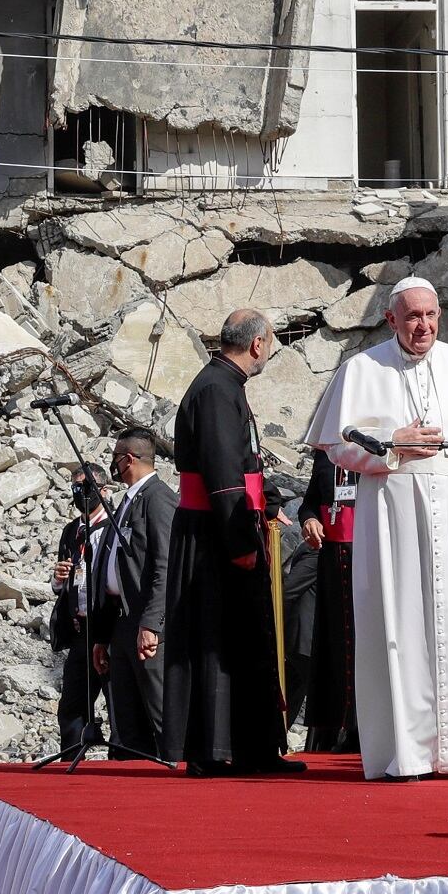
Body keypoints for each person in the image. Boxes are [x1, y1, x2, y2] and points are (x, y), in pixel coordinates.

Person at [305, 276, 448, 782]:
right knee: (399, 626)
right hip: (394, 512)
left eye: (430, 316)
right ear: (391, 320)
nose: (423, 325)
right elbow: (337, 448)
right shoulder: (360, 369)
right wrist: (390, 442)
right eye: (412, 317)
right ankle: (410, 751)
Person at [161, 309, 300, 776]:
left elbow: (244, 463)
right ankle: (222, 751)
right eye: (272, 344)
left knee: (233, 638)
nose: (271, 352)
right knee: (222, 638)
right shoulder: (219, 390)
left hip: (219, 526)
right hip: (218, 535)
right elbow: (224, 474)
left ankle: (243, 748)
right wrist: (242, 539)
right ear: (258, 344)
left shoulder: (220, 384)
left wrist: (271, 502)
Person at [92, 427, 176, 758]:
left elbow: (165, 566)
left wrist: (152, 624)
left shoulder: (158, 499)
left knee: (158, 714)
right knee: (125, 723)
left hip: (146, 625)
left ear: (128, 459)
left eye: (114, 458)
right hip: (121, 624)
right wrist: (102, 634)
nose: (112, 465)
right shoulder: (128, 501)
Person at [298, 448, 360, 753]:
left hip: (366, 561)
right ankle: (333, 727)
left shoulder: (372, 451)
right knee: (334, 645)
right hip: (333, 562)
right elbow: (310, 502)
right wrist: (309, 519)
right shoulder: (324, 456)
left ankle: (360, 730)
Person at [50, 465, 112, 752]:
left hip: (110, 629)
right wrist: (59, 579)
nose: (80, 494)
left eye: (86, 487)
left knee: (118, 702)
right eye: (75, 488)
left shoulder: (114, 525)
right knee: (72, 705)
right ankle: (70, 759)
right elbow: (63, 584)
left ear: (103, 489)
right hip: (79, 630)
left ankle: (124, 762)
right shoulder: (71, 531)